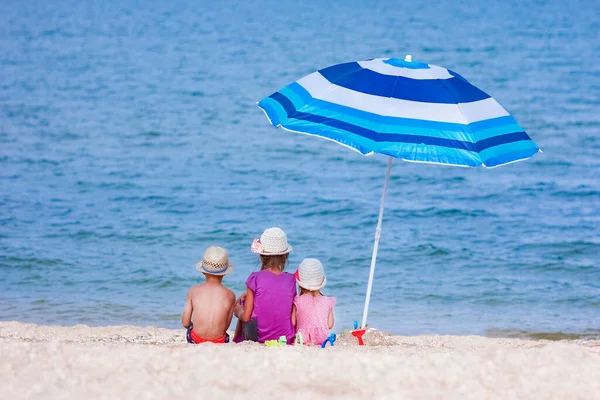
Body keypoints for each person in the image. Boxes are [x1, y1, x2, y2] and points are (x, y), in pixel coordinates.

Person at [233, 227, 296, 344]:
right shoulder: (291, 280)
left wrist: (238, 312)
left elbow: (246, 318)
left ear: (261, 256)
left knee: (244, 303)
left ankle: (238, 340)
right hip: (286, 338)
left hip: (260, 338)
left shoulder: (255, 278)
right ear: (285, 256)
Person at [181, 246, 236, 344]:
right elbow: (226, 327)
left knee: (191, 331)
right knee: (225, 336)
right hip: (219, 341)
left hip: (195, 339)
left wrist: (192, 326)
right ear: (225, 273)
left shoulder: (193, 291)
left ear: (203, 271)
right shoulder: (230, 295)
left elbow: (185, 322)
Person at [292, 258, 336, 346]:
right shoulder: (327, 301)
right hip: (322, 338)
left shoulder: (298, 300)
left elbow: (293, 322)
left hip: (302, 338)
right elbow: (330, 325)